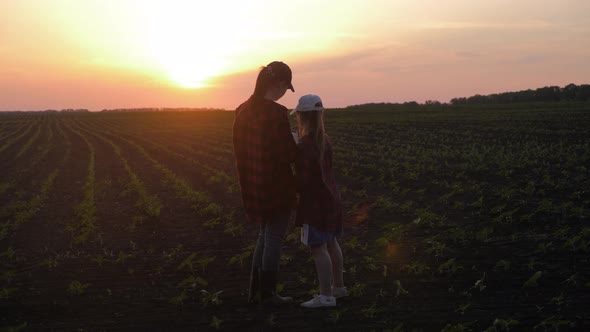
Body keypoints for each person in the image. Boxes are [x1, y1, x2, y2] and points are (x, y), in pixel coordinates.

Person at [232, 61, 297, 305]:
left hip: (252, 186)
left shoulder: (242, 110)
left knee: (264, 235)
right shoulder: (275, 113)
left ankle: (256, 291)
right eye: (286, 87)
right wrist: (297, 142)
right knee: (273, 239)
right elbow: (288, 154)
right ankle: (268, 294)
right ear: (279, 83)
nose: (284, 92)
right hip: (277, 186)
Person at [291, 94, 347, 308]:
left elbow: (304, 180)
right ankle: (338, 288)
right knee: (332, 242)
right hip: (332, 199)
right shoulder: (325, 140)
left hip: (315, 204)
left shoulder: (305, 146)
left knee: (318, 249)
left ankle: (325, 297)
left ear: (301, 117)